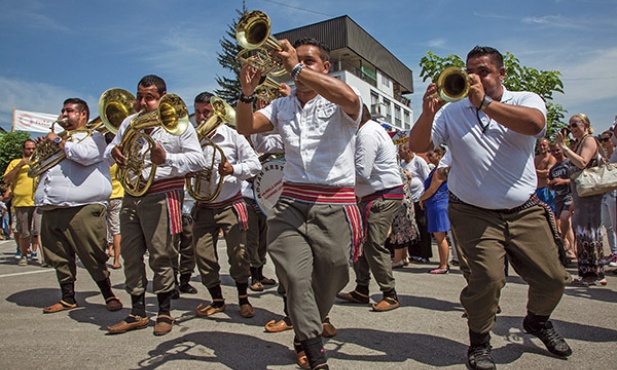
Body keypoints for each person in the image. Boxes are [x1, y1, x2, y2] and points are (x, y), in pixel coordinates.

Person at [409, 46, 572, 370]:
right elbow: (417, 146)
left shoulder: (525, 98)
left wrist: (484, 103)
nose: (473, 77)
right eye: (469, 70)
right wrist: (428, 113)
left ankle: (537, 321)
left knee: (553, 278)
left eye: (482, 70)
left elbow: (534, 124)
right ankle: (479, 343)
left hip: (523, 208)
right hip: (473, 211)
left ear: (501, 74)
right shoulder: (452, 113)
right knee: (488, 280)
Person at [237, 36, 362, 370]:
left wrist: (294, 66)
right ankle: (313, 346)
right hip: (289, 203)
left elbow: (350, 97)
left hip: (334, 204)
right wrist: (247, 94)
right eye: (299, 61)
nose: (301, 66)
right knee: (294, 277)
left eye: (309, 61)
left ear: (326, 68)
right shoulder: (281, 106)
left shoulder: (340, 99)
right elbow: (244, 125)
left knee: (335, 274)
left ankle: (307, 326)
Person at [105, 75, 207, 336]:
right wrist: (114, 152)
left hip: (162, 193)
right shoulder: (130, 122)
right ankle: (137, 311)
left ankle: (164, 312)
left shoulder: (178, 123)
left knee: (162, 254)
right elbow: (110, 151)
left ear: (162, 97)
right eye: (139, 96)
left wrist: (167, 158)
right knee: (130, 254)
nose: (142, 102)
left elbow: (198, 160)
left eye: (149, 97)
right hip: (132, 194)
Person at [34, 97, 123, 314]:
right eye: (63, 110)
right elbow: (41, 168)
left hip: (82, 206)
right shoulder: (64, 139)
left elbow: (85, 156)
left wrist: (56, 141)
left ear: (83, 114)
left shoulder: (95, 137)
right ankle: (67, 298)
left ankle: (108, 294)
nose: (64, 114)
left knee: (92, 254)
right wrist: (45, 149)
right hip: (53, 206)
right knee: (58, 256)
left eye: (70, 111)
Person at [190, 91, 261, 320]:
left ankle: (243, 298)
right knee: (203, 256)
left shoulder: (233, 136)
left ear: (216, 112)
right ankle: (217, 299)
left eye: (206, 112)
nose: (201, 117)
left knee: (239, 255)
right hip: (203, 206)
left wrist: (234, 170)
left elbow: (255, 165)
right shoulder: (191, 138)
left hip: (230, 204)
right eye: (198, 112)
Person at [337, 104, 403, 312]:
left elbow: (362, 172)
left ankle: (390, 294)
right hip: (375, 195)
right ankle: (361, 289)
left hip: (380, 196)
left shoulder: (367, 133)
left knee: (373, 244)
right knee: (361, 243)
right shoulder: (369, 130)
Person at [555, 114, 607, 286]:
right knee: (584, 231)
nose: (572, 128)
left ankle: (593, 274)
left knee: (589, 231)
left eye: (575, 124)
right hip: (580, 195)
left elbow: (582, 163)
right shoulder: (579, 143)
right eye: (570, 126)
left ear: (585, 125)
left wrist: (564, 148)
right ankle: (590, 272)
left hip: (590, 195)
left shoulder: (589, 140)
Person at [3, 139, 42, 266]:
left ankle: (43, 257)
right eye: (28, 149)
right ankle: (24, 255)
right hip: (21, 202)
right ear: (23, 150)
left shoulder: (39, 162)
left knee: (39, 232)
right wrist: (20, 165)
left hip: (38, 201)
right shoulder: (15, 163)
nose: (31, 151)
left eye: (33, 148)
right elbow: (6, 180)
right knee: (24, 232)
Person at [419, 148, 451, 274]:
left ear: (439, 155)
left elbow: (432, 190)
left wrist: (421, 199)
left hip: (438, 204)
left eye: (431, 155)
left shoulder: (439, 171)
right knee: (439, 236)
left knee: (440, 236)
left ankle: (443, 265)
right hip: (435, 204)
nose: (428, 157)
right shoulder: (437, 170)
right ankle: (443, 263)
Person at [398, 145, 431, 263]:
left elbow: (427, 179)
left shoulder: (419, 161)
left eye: (401, 150)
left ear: (408, 151)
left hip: (419, 198)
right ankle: (414, 252)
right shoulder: (402, 164)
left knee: (422, 225)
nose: (399, 153)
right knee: (411, 227)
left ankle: (425, 253)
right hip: (408, 200)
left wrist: (425, 197)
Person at [547, 142, 576, 262]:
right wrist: (552, 184)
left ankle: (565, 242)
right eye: (553, 151)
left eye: (557, 150)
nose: (556, 153)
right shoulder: (553, 168)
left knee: (565, 219)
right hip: (558, 197)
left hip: (569, 195)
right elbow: (550, 183)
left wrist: (564, 181)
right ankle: (569, 248)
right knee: (565, 222)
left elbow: (576, 178)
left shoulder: (569, 163)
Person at [105, 132, 123, 270]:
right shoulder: (119, 159)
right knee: (116, 230)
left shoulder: (103, 159)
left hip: (104, 196)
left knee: (103, 229)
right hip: (118, 196)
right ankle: (116, 260)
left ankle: (107, 252)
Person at [599, 130, 617, 266]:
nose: (603, 142)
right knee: (609, 225)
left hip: (614, 192)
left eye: (606, 139)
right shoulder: (604, 155)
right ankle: (614, 253)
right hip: (606, 192)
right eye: (601, 139)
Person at [534, 138, 556, 211]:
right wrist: (540, 172)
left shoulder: (551, 158)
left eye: (544, 145)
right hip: (536, 190)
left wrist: (535, 171)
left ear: (548, 147)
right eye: (540, 145)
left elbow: (548, 173)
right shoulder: (535, 158)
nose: (542, 147)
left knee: (550, 211)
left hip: (547, 189)